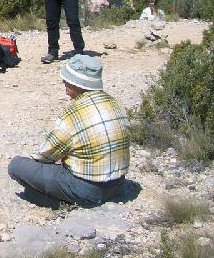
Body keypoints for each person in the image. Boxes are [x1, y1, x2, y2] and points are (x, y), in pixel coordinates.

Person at [8, 54, 130, 207]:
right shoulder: (115, 103)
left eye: (67, 79)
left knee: (16, 166)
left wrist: (31, 161)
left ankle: (54, 200)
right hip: (118, 184)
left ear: (76, 84)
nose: (64, 82)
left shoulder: (73, 114)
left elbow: (46, 155)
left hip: (88, 189)